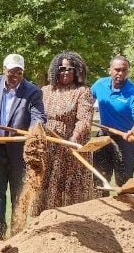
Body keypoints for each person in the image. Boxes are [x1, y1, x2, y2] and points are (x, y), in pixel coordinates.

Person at [0, 53, 45, 245]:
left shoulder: (33, 92)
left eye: (19, 72)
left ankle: (17, 233)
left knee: (18, 193)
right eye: (11, 71)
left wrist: (35, 130)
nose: (15, 76)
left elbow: (38, 116)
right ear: (4, 70)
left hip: (18, 150)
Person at [37, 52, 95, 213]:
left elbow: (84, 120)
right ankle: (45, 219)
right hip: (48, 146)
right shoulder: (45, 91)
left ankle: (72, 221)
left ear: (77, 71)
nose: (66, 72)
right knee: (46, 184)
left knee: (69, 186)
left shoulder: (83, 92)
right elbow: (37, 115)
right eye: (62, 68)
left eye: (70, 69)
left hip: (70, 147)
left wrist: (73, 138)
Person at [91, 55, 134, 192]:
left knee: (124, 182)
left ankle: (129, 210)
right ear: (109, 70)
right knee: (99, 177)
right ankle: (99, 208)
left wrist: (133, 131)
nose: (120, 73)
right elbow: (87, 101)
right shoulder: (100, 84)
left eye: (124, 70)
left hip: (126, 140)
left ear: (127, 71)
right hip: (104, 138)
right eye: (117, 69)